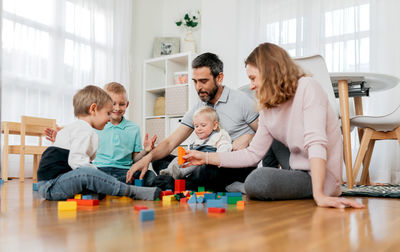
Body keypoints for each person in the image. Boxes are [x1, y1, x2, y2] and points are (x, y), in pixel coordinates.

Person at [183, 43, 364, 209]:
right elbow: (253, 154)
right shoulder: (268, 108)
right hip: (297, 171)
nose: (251, 86)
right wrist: (205, 157)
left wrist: (320, 196)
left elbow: (316, 142)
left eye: (253, 78)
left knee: (258, 180)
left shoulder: (307, 87)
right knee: (265, 154)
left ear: (270, 72)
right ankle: (279, 185)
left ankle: (301, 188)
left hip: (322, 177)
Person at [126, 52, 259, 192]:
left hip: (233, 164)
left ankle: (175, 184)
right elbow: (171, 142)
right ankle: (182, 182)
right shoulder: (200, 106)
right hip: (205, 159)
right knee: (160, 159)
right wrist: (148, 158)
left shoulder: (241, 100)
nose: (198, 87)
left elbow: (267, 131)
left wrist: (250, 137)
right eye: (195, 81)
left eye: (203, 81)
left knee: (206, 170)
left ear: (219, 78)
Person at [37, 85, 160, 201]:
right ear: (93, 109)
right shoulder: (83, 129)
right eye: (107, 113)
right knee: (88, 174)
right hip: (52, 185)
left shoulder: (78, 128)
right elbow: (78, 163)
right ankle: (131, 191)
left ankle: (102, 188)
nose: (109, 118)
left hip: (58, 182)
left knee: (92, 175)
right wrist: (99, 176)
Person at [159, 107, 232, 179]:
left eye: (203, 125)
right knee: (178, 158)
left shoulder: (219, 135)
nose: (199, 129)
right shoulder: (197, 141)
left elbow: (225, 145)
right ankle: (169, 171)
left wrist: (218, 157)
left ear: (215, 125)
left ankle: (182, 173)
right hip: (194, 160)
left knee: (196, 163)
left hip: (206, 162)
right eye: (196, 126)